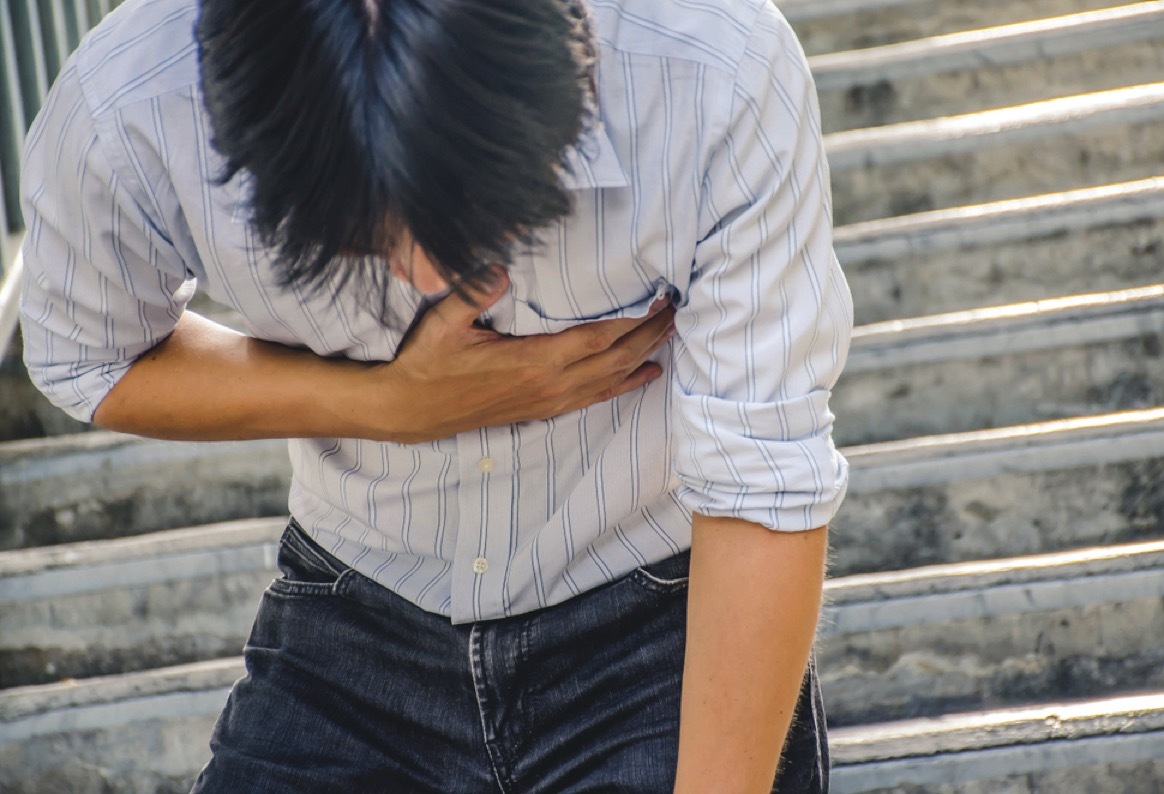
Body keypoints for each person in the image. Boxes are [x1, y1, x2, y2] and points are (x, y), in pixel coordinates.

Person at [18, 0, 853, 790]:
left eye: (474, 223)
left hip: (663, 619)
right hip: (354, 619)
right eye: (358, 239)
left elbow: (762, 478)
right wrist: (384, 404)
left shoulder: (709, 67)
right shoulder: (131, 104)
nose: (424, 277)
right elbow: (89, 358)